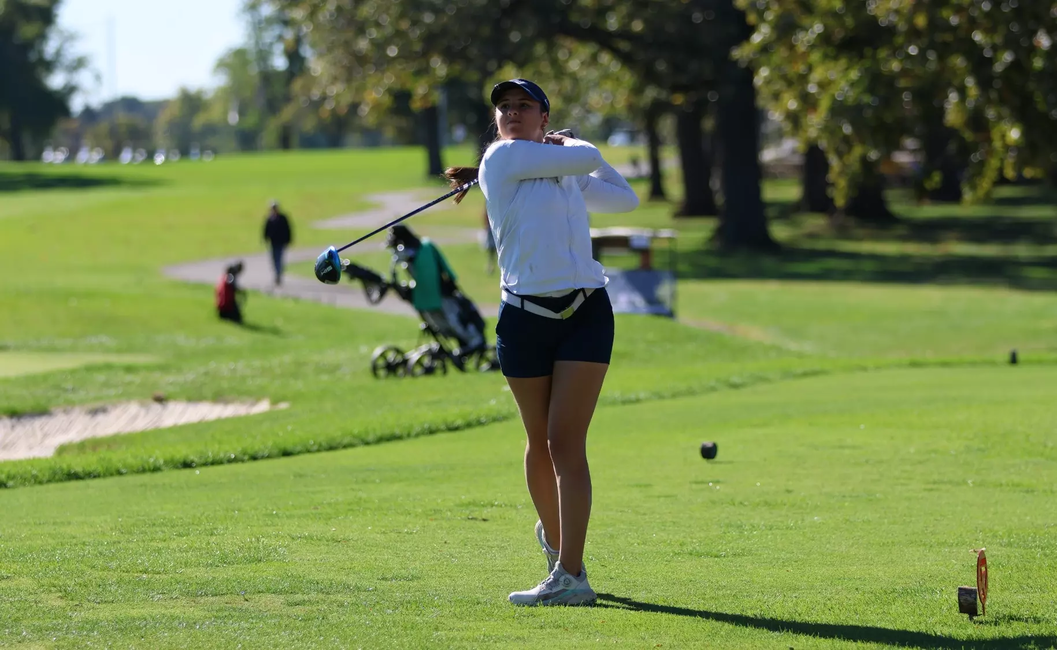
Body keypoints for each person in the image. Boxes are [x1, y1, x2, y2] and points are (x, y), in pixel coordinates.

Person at [443, 79, 639, 606]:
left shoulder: (563, 170)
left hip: (585, 313)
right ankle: (556, 546)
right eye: (504, 107)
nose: (511, 113)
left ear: (543, 117)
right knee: (539, 439)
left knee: (565, 442)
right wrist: (571, 146)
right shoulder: (500, 159)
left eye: (523, 106)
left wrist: (570, 153)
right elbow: (588, 155)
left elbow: (625, 198)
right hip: (524, 319)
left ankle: (571, 575)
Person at [386, 224, 485, 359]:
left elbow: (443, 266)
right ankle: (464, 343)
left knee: (455, 320)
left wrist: (451, 281)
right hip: (424, 296)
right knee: (441, 325)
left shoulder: (423, 247)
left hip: (441, 292)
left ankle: (475, 342)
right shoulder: (413, 251)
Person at [262, 200, 293, 286]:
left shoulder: (282, 218)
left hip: (281, 242)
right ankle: (277, 273)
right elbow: (266, 230)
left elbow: (287, 229)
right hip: (273, 243)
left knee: (279, 258)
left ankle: (278, 274)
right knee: (274, 259)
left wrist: (288, 240)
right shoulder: (270, 219)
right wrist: (265, 238)